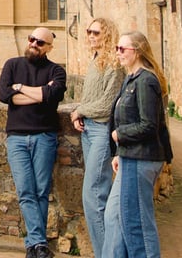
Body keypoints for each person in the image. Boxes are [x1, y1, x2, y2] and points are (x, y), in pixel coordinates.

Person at [0, 27, 66, 258]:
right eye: (32, 39)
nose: (34, 44)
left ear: (49, 47)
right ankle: (38, 243)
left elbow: (52, 96)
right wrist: (39, 94)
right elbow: (3, 95)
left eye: (40, 42)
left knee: (41, 191)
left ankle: (34, 245)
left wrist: (20, 89)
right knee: (26, 190)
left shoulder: (56, 70)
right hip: (17, 137)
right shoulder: (12, 64)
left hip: (44, 136)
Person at [103, 30, 172, 258]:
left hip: (142, 158)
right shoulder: (131, 79)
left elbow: (148, 125)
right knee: (114, 216)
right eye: (117, 48)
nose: (118, 53)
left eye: (123, 49)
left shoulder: (145, 80)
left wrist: (119, 135)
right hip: (129, 156)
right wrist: (118, 153)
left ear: (138, 51)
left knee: (138, 223)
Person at [69, 18, 124, 257]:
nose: (90, 36)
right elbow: (91, 97)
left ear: (107, 35)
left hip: (101, 130)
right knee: (98, 194)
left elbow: (107, 105)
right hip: (89, 130)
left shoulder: (114, 64)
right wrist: (79, 113)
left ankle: (106, 253)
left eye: (96, 32)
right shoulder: (96, 60)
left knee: (93, 195)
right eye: (88, 31)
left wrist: (80, 110)